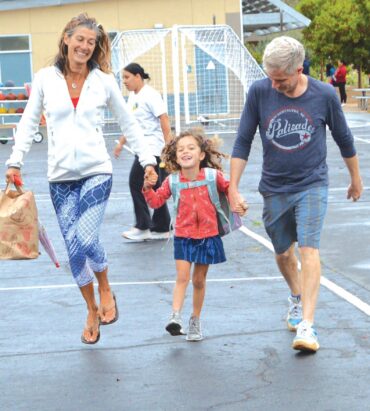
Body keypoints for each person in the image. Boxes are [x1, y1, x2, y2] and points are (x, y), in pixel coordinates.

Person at [5, 13, 157, 345]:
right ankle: (91, 308)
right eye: (80, 40)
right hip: (59, 179)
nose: (85, 47)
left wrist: (148, 160)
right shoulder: (46, 78)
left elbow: (129, 124)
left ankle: (105, 286)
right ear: (66, 39)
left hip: (96, 172)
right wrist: (14, 161)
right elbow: (30, 121)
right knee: (74, 249)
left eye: (92, 42)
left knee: (86, 240)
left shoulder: (103, 81)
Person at [229, 36, 362, 352]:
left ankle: (308, 325)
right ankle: (296, 295)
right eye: (271, 78)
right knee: (282, 251)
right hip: (274, 187)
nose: (274, 85)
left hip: (312, 184)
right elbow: (242, 140)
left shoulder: (324, 94)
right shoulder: (260, 92)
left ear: (298, 69)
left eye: (281, 80)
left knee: (309, 249)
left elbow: (344, 139)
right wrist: (232, 187)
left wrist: (356, 179)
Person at [143, 129, 239, 341]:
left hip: (207, 236)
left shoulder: (213, 177)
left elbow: (231, 189)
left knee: (198, 280)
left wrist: (238, 201)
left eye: (191, 148)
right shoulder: (172, 181)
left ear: (202, 155)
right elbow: (156, 202)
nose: (185, 152)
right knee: (182, 277)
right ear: (175, 157)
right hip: (183, 236)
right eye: (180, 149)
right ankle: (175, 317)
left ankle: (195, 320)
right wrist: (148, 188)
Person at [114, 63, 172, 241]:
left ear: (138, 76)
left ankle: (144, 225)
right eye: (123, 78)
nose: (124, 81)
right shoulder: (132, 97)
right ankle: (162, 227)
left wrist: (169, 146)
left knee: (136, 182)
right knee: (154, 186)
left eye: (127, 77)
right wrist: (121, 142)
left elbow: (163, 118)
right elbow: (132, 124)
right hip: (142, 148)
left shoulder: (151, 95)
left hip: (153, 148)